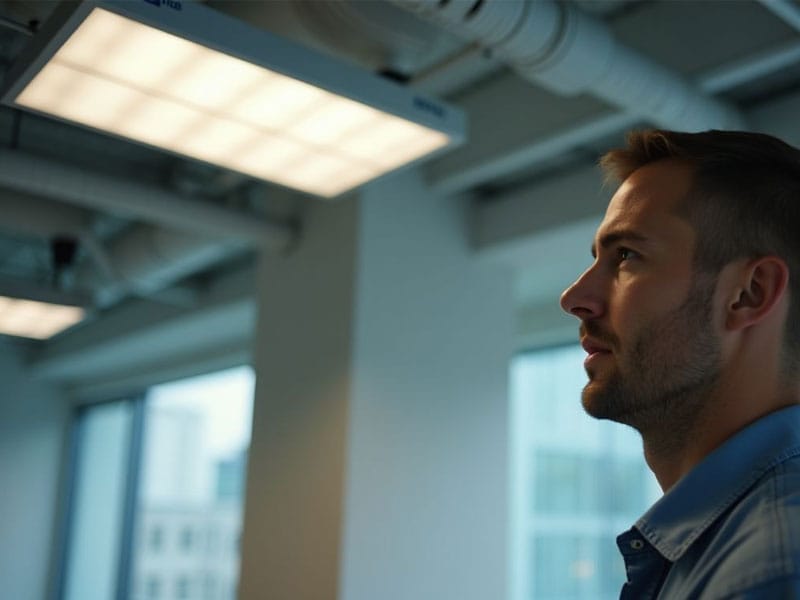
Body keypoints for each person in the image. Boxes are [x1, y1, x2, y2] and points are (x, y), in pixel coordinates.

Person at [559, 129, 800, 598]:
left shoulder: (772, 569)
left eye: (626, 256)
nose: (574, 298)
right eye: (598, 258)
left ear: (749, 294)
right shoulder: (726, 541)